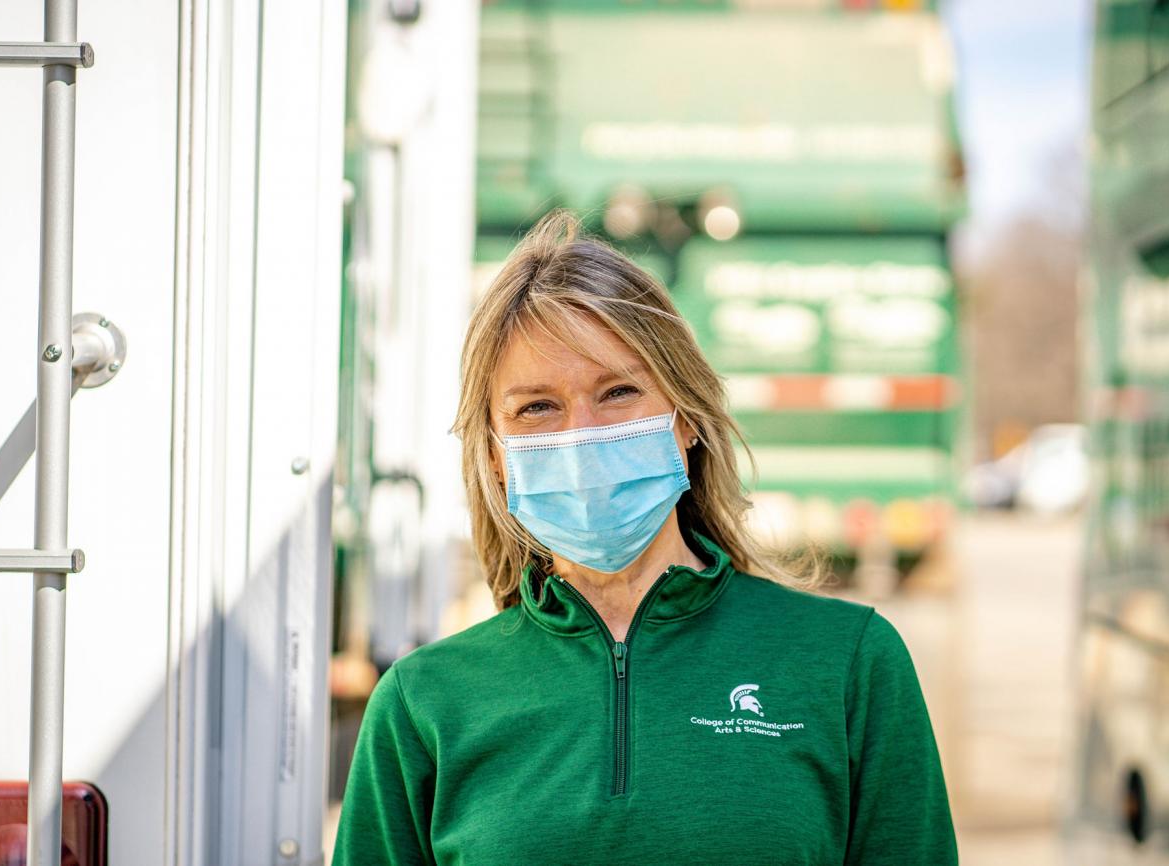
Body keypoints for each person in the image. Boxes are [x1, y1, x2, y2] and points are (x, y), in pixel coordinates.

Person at [332, 209, 957, 865]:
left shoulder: (847, 664)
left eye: (619, 391)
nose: (582, 436)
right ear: (495, 455)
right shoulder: (424, 702)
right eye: (537, 407)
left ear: (686, 419)